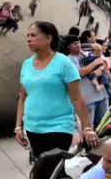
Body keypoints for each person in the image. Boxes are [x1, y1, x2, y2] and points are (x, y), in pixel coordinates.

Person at [15, 21, 98, 158]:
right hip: (32, 128)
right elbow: (23, 98)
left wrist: (87, 128)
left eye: (34, 35)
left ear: (49, 38)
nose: (29, 39)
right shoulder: (27, 64)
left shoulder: (64, 63)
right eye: (28, 35)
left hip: (58, 127)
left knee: (54, 169)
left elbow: (77, 98)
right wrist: (18, 126)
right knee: (42, 168)